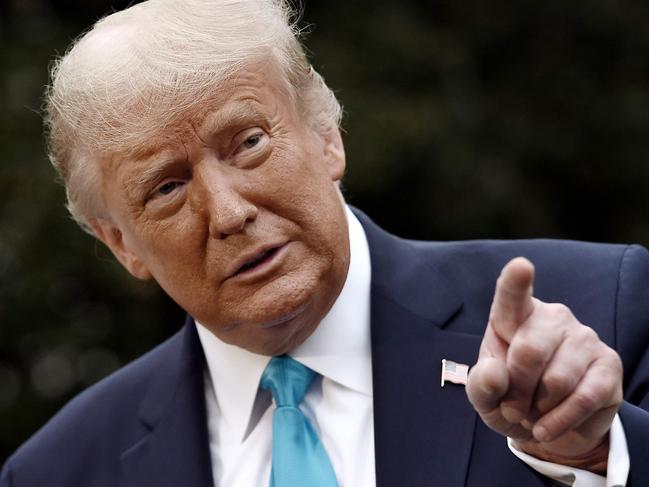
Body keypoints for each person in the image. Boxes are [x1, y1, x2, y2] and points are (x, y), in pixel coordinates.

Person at [2, 1, 649, 486]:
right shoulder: (61, 470)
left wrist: (591, 454)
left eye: (248, 143)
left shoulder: (600, 309)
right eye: (167, 187)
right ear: (122, 245)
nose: (227, 212)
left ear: (324, 134)